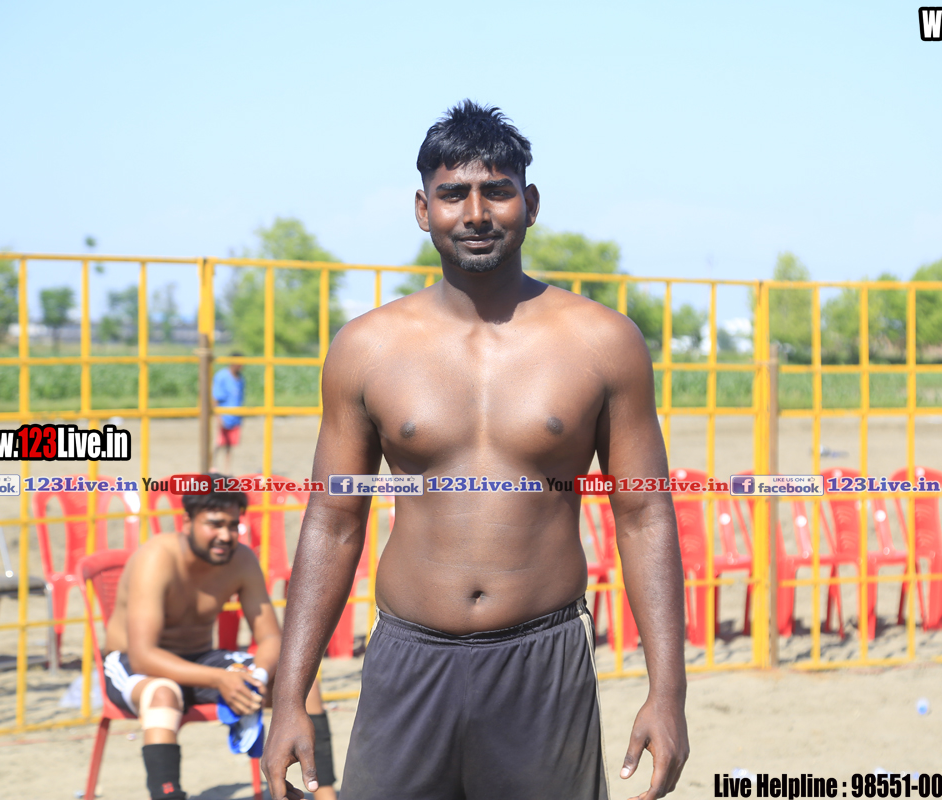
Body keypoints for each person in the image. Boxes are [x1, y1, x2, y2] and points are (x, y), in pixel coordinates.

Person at [263, 101, 689, 800]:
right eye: (453, 193)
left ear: (531, 202)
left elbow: (644, 515)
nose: (476, 213)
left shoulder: (602, 341)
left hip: (542, 661)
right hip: (409, 659)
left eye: (496, 190)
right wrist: (290, 696)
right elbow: (333, 521)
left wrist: (667, 694)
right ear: (423, 209)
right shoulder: (367, 348)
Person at [103, 477, 336, 800]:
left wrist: (257, 676)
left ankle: (325, 794)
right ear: (187, 521)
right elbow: (143, 656)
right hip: (135, 664)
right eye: (214, 524)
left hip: (200, 659)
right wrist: (221, 679)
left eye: (232, 525)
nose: (225, 535)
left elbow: (271, 636)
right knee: (163, 693)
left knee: (302, 684)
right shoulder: (156, 558)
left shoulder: (241, 559)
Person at [213, 352, 245, 473]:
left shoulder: (240, 379)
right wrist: (218, 417)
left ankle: (227, 470)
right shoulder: (222, 377)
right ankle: (213, 467)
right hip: (224, 416)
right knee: (218, 443)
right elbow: (215, 398)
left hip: (235, 417)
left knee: (230, 445)